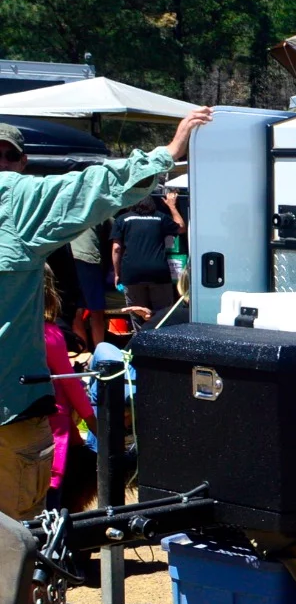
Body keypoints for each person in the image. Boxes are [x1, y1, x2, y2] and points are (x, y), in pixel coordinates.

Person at [0, 107, 212, 521]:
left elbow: (89, 188)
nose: (1, 167)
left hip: (11, 416)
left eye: (6, 156)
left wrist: (162, 156)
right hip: (16, 416)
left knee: (16, 552)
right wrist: (165, 153)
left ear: (23, 163)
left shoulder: (17, 199)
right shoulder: (18, 198)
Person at [41, 265, 96, 512]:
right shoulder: (49, 334)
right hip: (51, 432)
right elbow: (70, 383)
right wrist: (94, 422)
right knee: (54, 500)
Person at [110, 188, 185, 312]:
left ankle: (140, 331)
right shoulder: (160, 218)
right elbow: (181, 227)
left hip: (131, 272)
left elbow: (116, 248)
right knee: (163, 313)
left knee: (137, 312)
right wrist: (172, 206)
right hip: (158, 272)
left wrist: (117, 274)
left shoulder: (122, 220)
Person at [70, 219, 112, 348]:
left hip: (68, 257)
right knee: (96, 310)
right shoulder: (97, 209)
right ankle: (100, 351)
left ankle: (83, 352)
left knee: (76, 311)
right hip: (88, 259)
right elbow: (113, 230)